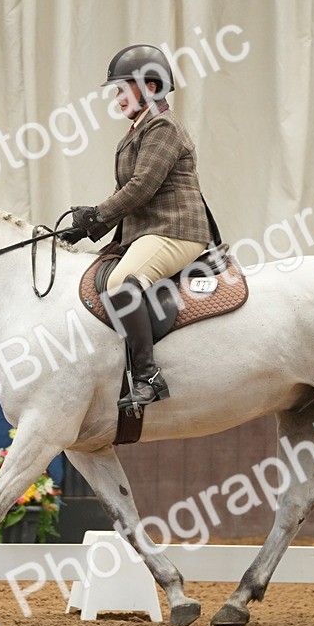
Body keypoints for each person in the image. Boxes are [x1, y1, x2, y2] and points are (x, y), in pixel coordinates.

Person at [63, 44, 213, 412]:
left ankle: (148, 377)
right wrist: (87, 228)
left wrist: (95, 216)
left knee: (119, 284)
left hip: (176, 230)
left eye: (120, 89)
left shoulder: (163, 126)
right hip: (151, 230)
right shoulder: (139, 129)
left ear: (148, 86)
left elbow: (141, 187)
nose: (115, 98)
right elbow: (126, 193)